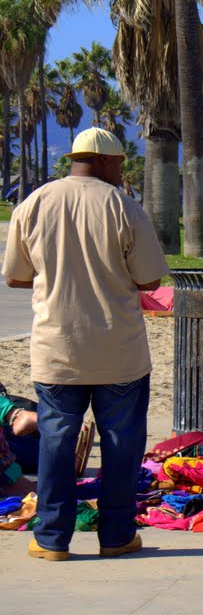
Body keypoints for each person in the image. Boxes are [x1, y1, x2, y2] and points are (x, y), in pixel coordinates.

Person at [3, 127, 170, 561]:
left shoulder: (34, 203)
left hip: (57, 348)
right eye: (118, 163)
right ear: (102, 161)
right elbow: (149, 279)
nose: (120, 171)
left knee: (56, 442)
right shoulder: (124, 207)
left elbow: (17, 277)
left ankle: (51, 539)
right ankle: (115, 536)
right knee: (121, 444)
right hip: (119, 351)